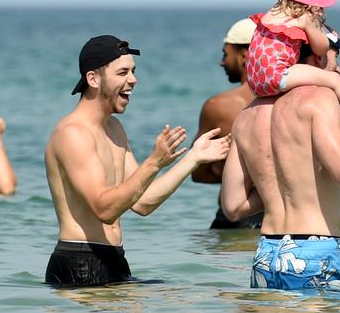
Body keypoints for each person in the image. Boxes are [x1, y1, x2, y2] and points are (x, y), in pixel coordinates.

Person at [44, 35, 231, 286]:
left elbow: (143, 202)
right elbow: (105, 210)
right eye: (122, 72)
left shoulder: (114, 128)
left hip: (114, 259)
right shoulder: (72, 134)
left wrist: (193, 158)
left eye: (133, 71)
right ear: (93, 79)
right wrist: (154, 161)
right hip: (78, 261)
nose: (133, 80)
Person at [222, 42, 340, 292]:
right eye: (335, 56)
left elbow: (233, 206)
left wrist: (280, 185)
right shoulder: (320, 97)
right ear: (318, 56)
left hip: (267, 253)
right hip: (315, 250)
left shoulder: (248, 114)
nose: (337, 67)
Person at [191, 18, 264, 229]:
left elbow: (199, 173)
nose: (222, 62)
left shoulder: (219, 106)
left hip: (236, 217)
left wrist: (231, 174)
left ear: (243, 56)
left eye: (226, 54)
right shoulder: (289, 101)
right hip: (282, 216)